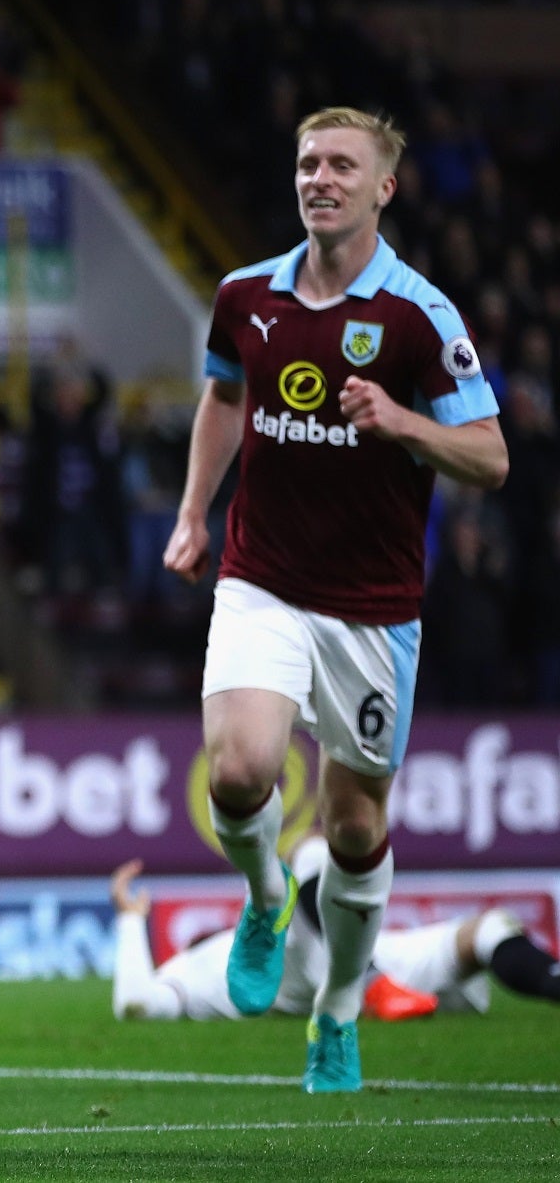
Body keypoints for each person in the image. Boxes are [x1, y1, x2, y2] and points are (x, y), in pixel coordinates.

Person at [162, 107, 508, 1093]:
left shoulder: (418, 318)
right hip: (260, 579)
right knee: (238, 773)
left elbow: (487, 456)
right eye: (307, 162)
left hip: (370, 609)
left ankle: (340, 1005)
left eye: (340, 165)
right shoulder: (243, 297)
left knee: (355, 829)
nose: (318, 177)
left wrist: (398, 419)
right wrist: (192, 513)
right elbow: (223, 398)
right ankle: (266, 897)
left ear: (380, 188)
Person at [109, 847, 560, 1021]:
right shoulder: (199, 968)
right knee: (308, 853)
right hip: (316, 966)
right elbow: (135, 1003)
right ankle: (369, 981)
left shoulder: (211, 963)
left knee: (490, 929)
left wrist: (131, 920)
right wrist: (130, 919)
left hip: (375, 955)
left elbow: (136, 1003)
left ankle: (552, 980)